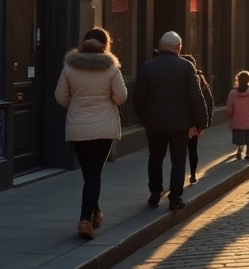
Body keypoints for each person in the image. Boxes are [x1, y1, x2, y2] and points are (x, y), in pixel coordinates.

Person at [55, 27, 127, 240]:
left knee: (89, 173)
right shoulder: (111, 69)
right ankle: (85, 220)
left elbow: (60, 97)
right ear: (106, 45)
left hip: (78, 126)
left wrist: (77, 105)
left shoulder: (70, 67)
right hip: (103, 127)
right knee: (94, 173)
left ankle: (95, 214)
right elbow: (121, 97)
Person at [133, 31, 208, 211]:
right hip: (180, 124)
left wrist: (144, 118)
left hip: (155, 123)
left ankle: (154, 193)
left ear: (160, 46)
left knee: (155, 158)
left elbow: (138, 97)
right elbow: (196, 97)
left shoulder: (148, 67)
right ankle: (175, 198)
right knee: (178, 159)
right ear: (179, 48)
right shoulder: (186, 67)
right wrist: (201, 122)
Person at [182, 54, 214, 185]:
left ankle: (179, 175)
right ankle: (193, 174)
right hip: (195, 122)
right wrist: (205, 121)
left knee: (180, 151)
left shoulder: (184, 79)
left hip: (183, 122)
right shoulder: (201, 79)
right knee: (192, 149)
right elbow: (209, 101)